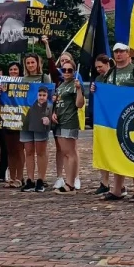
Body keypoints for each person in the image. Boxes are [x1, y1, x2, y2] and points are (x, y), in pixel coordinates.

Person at [101, 43, 134, 202]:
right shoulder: (110, 73)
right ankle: (117, 189)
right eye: (116, 52)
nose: (119, 54)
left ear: (128, 53)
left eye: (121, 51)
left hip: (133, 116)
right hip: (115, 118)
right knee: (116, 153)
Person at [52, 56, 85, 194]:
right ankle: (68, 180)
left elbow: (79, 104)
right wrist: (54, 111)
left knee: (70, 153)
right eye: (64, 69)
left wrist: (78, 90)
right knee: (64, 153)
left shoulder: (74, 84)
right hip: (59, 121)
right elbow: (58, 103)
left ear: (74, 71)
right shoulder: (61, 85)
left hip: (69, 121)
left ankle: (71, 183)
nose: (66, 72)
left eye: (69, 70)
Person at [21, 85, 52, 193]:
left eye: (44, 95)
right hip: (26, 125)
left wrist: (48, 121)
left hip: (40, 127)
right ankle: (30, 180)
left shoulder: (48, 107)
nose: (41, 97)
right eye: (40, 95)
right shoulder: (29, 105)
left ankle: (40, 179)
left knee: (40, 152)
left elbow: (52, 117)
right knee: (28, 152)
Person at [91, 54, 113, 195]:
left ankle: (118, 184)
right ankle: (104, 181)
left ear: (107, 64)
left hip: (115, 117)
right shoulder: (98, 79)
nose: (98, 69)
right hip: (102, 118)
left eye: (100, 66)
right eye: (96, 67)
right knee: (102, 149)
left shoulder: (115, 75)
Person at [2, 62, 25, 188]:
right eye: (11, 69)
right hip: (7, 118)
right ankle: (11, 177)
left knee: (19, 149)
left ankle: (20, 177)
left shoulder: (25, 83)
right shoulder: (4, 84)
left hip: (20, 118)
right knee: (10, 151)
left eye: (15, 69)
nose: (13, 71)